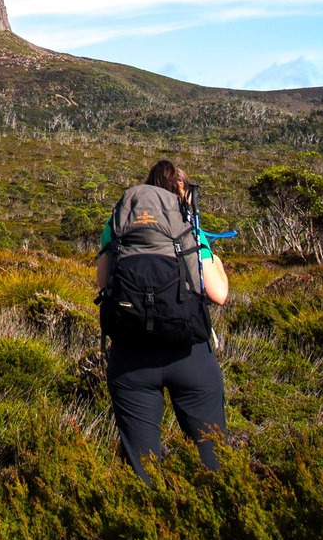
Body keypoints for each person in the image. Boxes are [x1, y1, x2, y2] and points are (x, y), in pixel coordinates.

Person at [97, 160, 231, 481]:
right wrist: (215, 259)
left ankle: (146, 508)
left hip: (131, 358)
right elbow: (218, 294)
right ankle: (213, 507)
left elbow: (104, 284)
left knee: (141, 468)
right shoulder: (188, 224)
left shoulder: (118, 224)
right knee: (213, 459)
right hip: (189, 354)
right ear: (180, 190)